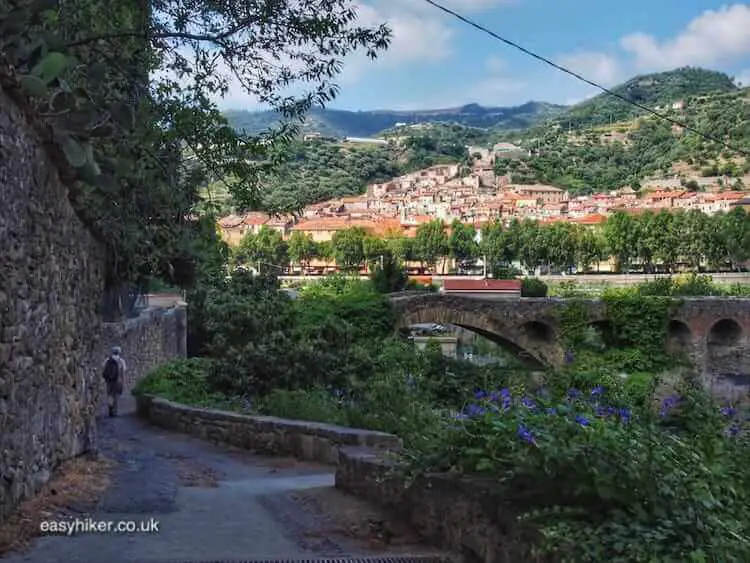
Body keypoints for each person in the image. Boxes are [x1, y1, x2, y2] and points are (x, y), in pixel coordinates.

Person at [102, 346, 126, 417]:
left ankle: (110, 409)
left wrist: (106, 379)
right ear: (119, 352)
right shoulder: (121, 361)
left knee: (110, 395)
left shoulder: (107, 360)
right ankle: (114, 411)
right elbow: (123, 373)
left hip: (109, 381)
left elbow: (104, 370)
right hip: (118, 381)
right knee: (116, 396)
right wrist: (123, 382)